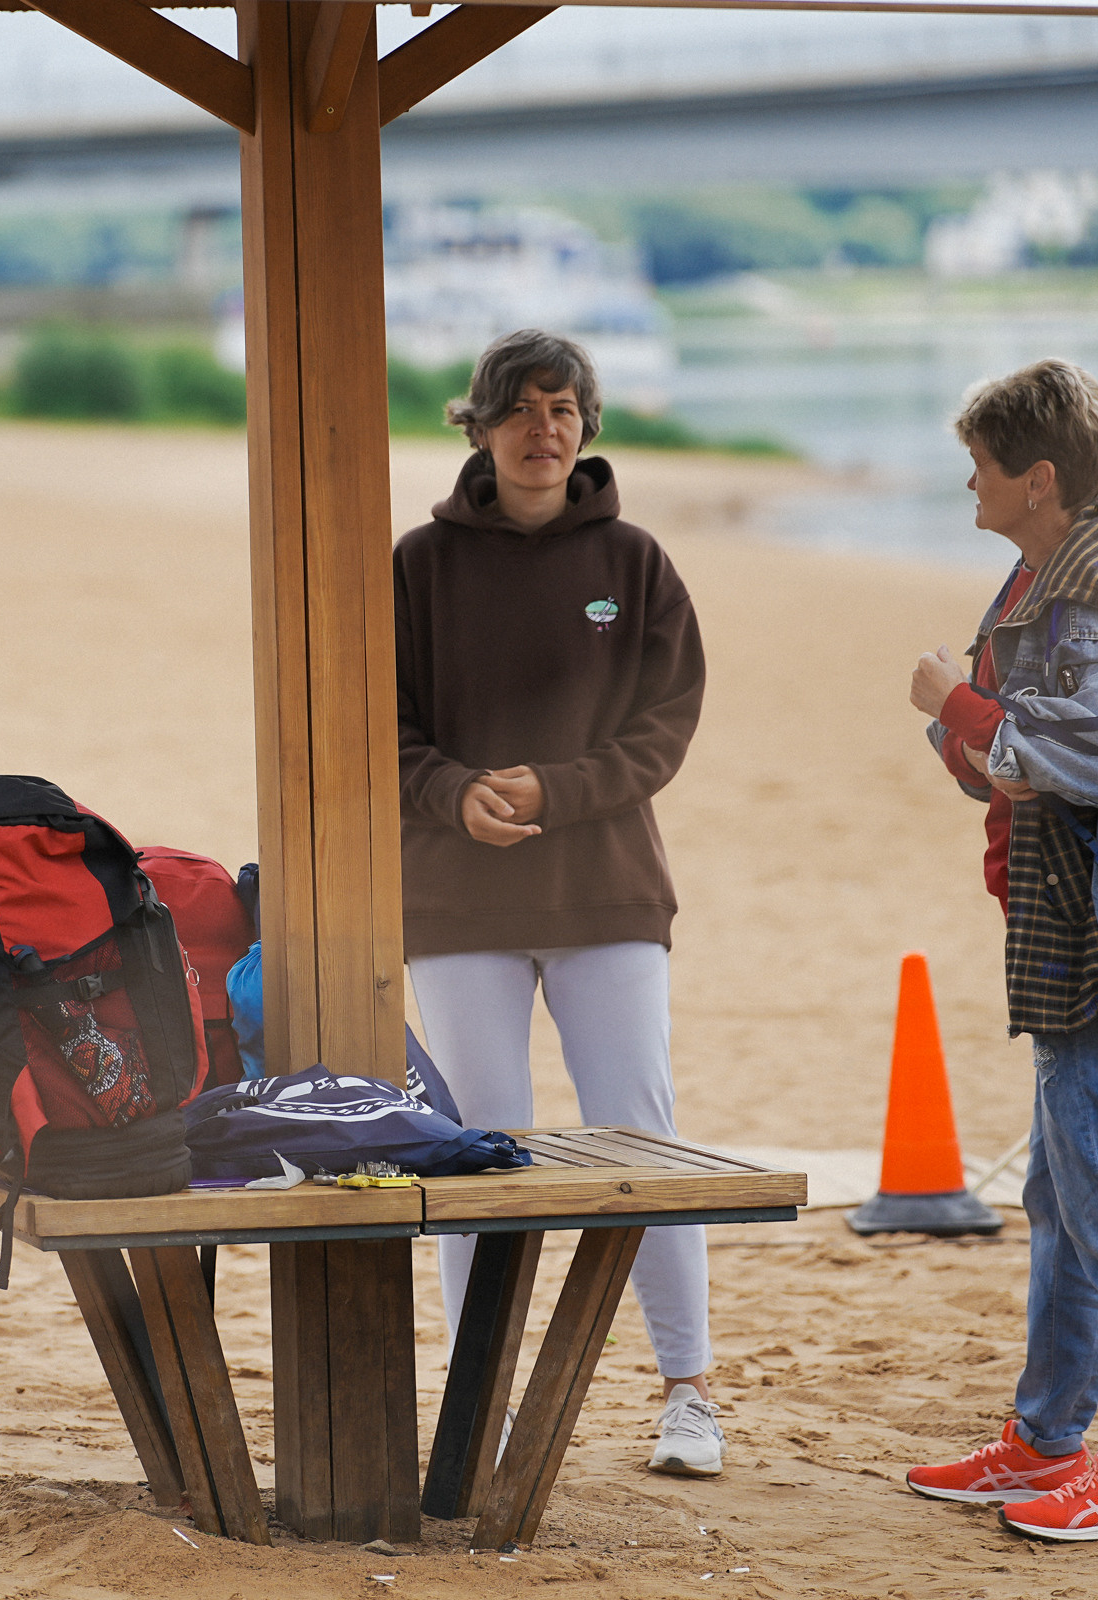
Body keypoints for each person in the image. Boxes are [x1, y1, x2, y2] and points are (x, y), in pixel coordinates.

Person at [901, 359, 1098, 1543]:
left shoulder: (1087, 601)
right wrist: (965, 728)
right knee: (1065, 1187)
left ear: (1038, 480)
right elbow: (1032, 757)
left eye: (982, 465)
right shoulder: (1061, 570)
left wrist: (960, 704)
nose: (969, 483)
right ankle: (1046, 1439)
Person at [395, 329, 721, 1477]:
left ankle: (689, 1392)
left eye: (566, 408)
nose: (546, 428)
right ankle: (474, 1399)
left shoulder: (633, 563)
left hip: (607, 893)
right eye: (524, 409)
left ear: (588, 427)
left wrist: (558, 787)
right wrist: (452, 794)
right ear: (480, 424)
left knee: (639, 1129)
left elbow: (664, 726)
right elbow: (380, 731)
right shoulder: (416, 567)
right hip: (453, 900)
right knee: (472, 1148)